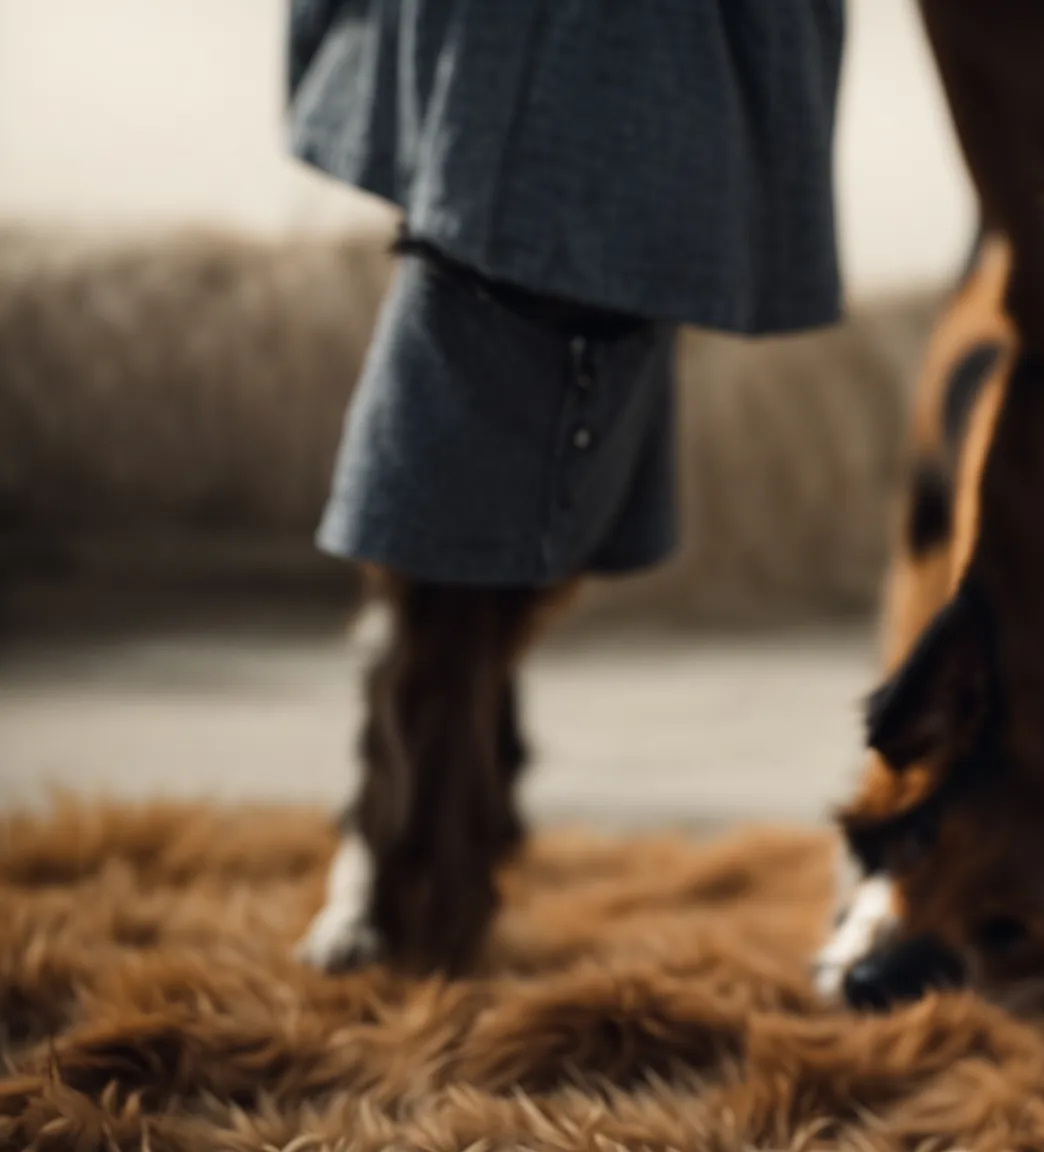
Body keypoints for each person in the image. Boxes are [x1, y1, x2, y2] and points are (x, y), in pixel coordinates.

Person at [284, 0, 846, 973]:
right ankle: (412, 860)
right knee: (442, 560)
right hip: (505, 135)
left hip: (606, 127)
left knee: (461, 565)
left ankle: (416, 869)